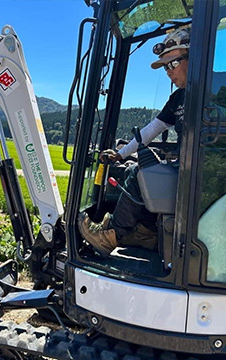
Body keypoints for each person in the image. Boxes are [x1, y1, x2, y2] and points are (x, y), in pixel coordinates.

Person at [78, 28, 190, 257]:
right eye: (165, 67)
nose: (168, 72)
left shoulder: (220, 86)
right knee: (136, 168)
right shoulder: (179, 97)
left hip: (200, 171)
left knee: (140, 172)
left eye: (172, 64)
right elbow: (153, 129)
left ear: (194, 56)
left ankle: (111, 237)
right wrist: (121, 153)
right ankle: (146, 233)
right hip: (187, 166)